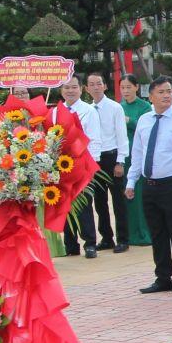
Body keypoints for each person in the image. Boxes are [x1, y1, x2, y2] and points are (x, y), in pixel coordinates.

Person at [125, 76, 172, 296]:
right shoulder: (145, 120)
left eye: (169, 91)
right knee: (157, 233)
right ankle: (163, 276)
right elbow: (138, 153)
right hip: (149, 185)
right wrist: (131, 181)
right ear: (151, 96)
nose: (166, 96)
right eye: (161, 92)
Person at [85, 72, 130, 253]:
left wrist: (120, 161)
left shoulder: (115, 108)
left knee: (118, 200)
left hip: (112, 157)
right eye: (92, 84)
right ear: (86, 89)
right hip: (94, 159)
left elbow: (122, 135)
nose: (96, 87)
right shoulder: (87, 110)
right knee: (99, 201)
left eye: (99, 83)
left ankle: (123, 239)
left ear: (105, 86)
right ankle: (106, 238)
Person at [58, 75, 101, 259]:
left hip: (83, 166)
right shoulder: (56, 111)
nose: (70, 91)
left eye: (74, 87)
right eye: (67, 87)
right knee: (65, 205)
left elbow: (94, 140)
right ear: (61, 90)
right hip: (62, 167)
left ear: (81, 89)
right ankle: (71, 244)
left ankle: (90, 243)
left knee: (84, 205)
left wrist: (92, 166)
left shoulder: (89, 111)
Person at [118, 74, 152, 247]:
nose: (125, 91)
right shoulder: (119, 107)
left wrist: (129, 121)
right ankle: (130, 234)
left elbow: (146, 126)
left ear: (136, 87)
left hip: (139, 156)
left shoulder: (145, 106)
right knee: (127, 195)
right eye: (122, 88)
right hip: (124, 156)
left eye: (129, 87)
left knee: (139, 196)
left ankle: (144, 233)